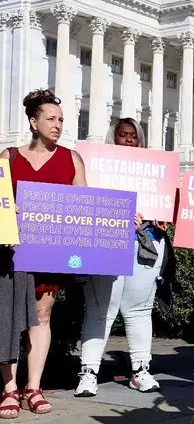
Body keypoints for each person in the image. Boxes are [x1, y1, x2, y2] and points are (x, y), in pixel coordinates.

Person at [74, 118, 177, 397]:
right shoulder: (97, 168)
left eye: (133, 135)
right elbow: (86, 203)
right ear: (114, 137)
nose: (129, 139)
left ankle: (141, 370)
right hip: (108, 244)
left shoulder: (154, 172)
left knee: (140, 311)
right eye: (123, 134)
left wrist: (160, 219)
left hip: (146, 244)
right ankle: (88, 373)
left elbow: (165, 205)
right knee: (100, 310)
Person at [0, 89, 87, 418]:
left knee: (42, 315)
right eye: (51, 118)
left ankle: (32, 387)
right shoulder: (8, 157)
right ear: (33, 122)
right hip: (11, 252)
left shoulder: (72, 159)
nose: (58, 125)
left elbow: (84, 207)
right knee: (8, 320)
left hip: (51, 251)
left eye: (61, 119)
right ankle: (8, 390)